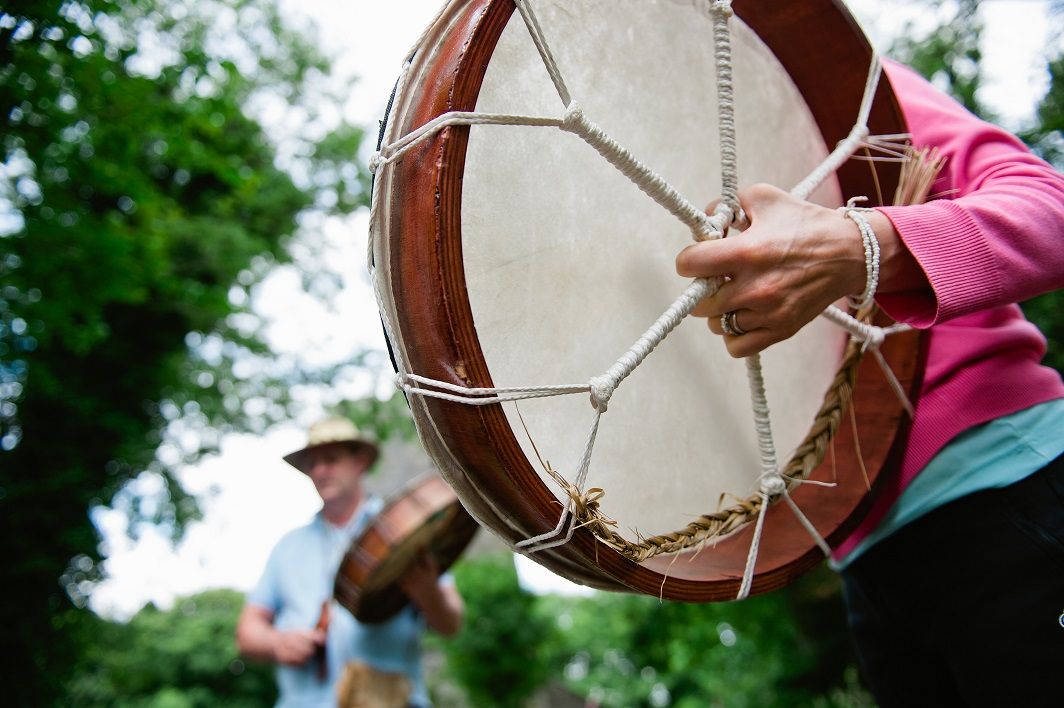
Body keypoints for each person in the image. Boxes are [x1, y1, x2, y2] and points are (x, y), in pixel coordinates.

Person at [675, 58, 1064, 706]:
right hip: (862, 563)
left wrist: (858, 246)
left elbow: (1049, 209)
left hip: (1011, 495)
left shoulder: (820, 70)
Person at [236, 417, 464, 708]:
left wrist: (429, 595)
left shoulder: (404, 531)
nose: (320, 470)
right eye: (312, 463)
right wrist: (277, 643)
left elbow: (451, 624)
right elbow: (248, 631)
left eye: (331, 459)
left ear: (360, 463)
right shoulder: (288, 547)